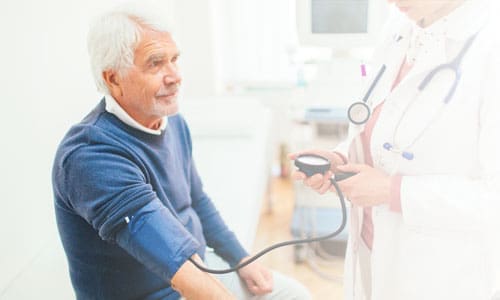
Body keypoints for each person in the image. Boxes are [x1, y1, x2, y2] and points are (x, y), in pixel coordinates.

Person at [51, 3, 311, 300]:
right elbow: (177, 263)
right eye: (155, 63)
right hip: (159, 291)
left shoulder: (171, 121)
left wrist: (240, 258)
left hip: (200, 271)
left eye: (174, 59)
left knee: (294, 294)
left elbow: (195, 199)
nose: (175, 76)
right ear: (113, 79)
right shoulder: (91, 155)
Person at [290, 0, 500, 299]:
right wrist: (342, 158)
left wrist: (393, 192)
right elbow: (381, 126)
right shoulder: (401, 28)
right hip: (375, 254)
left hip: (443, 275)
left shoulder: (491, 46)